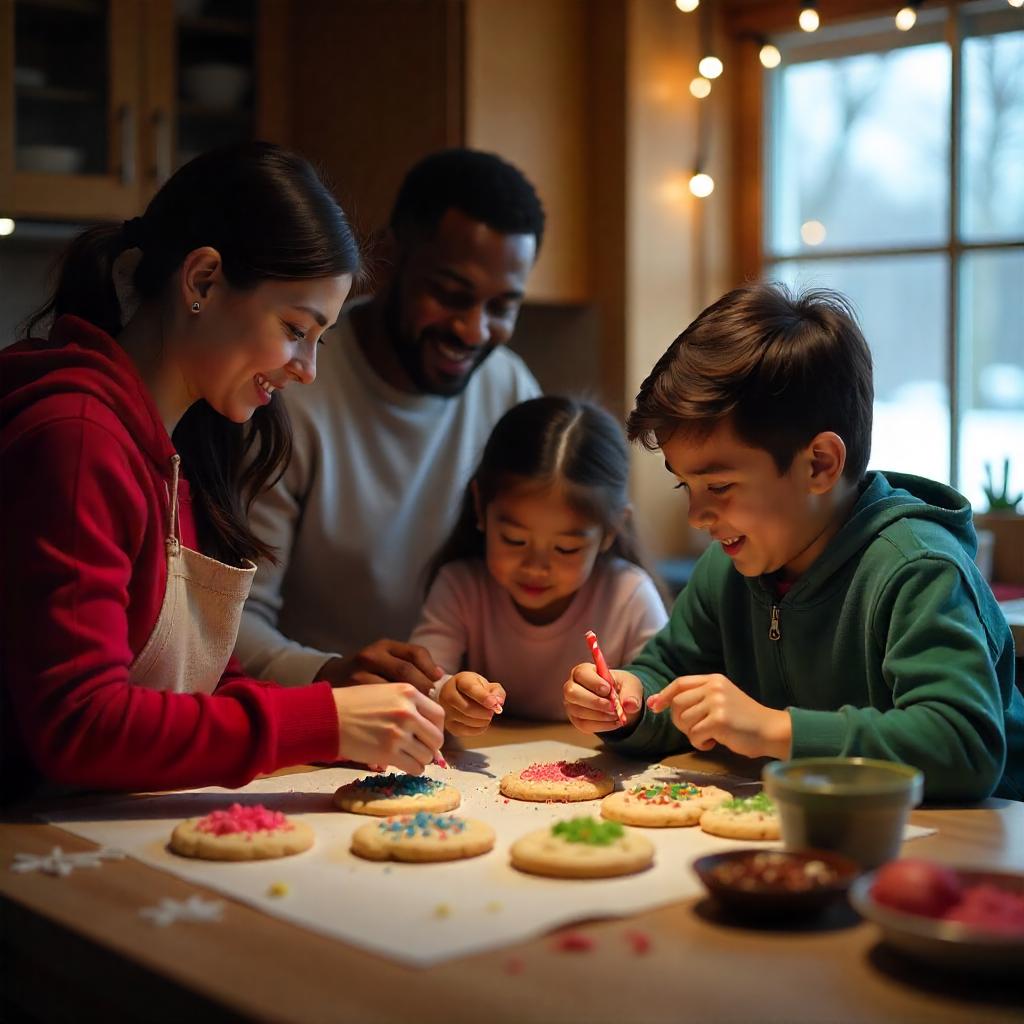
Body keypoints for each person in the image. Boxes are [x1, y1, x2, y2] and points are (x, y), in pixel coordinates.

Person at [0, 142, 444, 797]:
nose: (308, 369)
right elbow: (81, 725)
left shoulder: (184, 447)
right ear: (203, 280)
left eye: (319, 340)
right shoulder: (77, 439)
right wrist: (322, 722)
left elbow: (190, 687)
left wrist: (341, 701)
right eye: (297, 328)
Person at [563, 282, 1023, 802]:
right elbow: (669, 674)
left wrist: (774, 730)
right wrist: (632, 700)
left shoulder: (916, 569)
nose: (697, 517)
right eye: (684, 485)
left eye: (718, 486)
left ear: (820, 464)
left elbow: (964, 748)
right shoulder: (728, 568)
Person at [235, 148, 545, 694]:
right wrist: (329, 673)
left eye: (502, 307)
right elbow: (231, 620)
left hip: (468, 728)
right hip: (316, 725)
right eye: (451, 294)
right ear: (387, 258)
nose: (474, 330)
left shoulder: (511, 391)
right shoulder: (291, 387)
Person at [409, 396, 667, 733]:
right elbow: (420, 682)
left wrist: (633, 706)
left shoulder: (629, 596)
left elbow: (665, 697)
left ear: (611, 531)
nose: (536, 567)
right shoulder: (461, 587)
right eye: (515, 541)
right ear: (480, 506)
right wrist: (445, 694)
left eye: (566, 548)